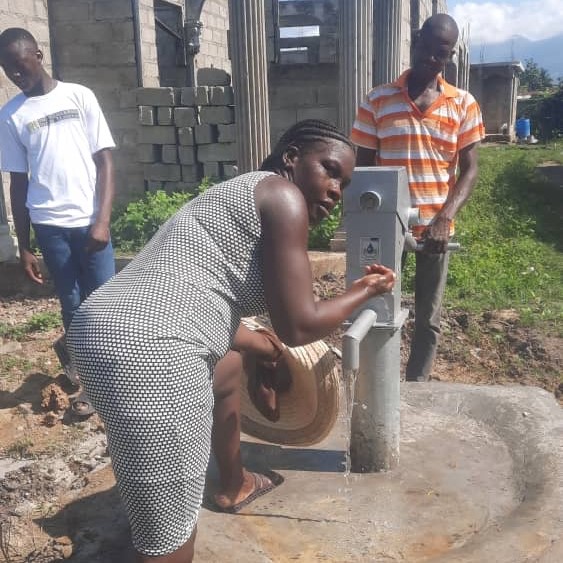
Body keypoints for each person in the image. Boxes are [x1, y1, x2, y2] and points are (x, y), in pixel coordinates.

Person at [66, 119, 396, 562]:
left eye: (346, 183)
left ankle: (233, 483)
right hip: (149, 352)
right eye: (330, 170)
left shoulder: (234, 194)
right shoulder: (284, 197)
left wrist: (266, 353)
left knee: (226, 369)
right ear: (292, 158)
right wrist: (367, 290)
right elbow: (299, 325)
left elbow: (203, 304)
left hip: (98, 326)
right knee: (170, 533)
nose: (337, 190)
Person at [350, 13, 485, 382]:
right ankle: (376, 382)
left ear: (450, 55)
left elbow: (470, 169)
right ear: (415, 41)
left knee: (428, 316)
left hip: (434, 231)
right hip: (384, 227)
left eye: (442, 55)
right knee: (373, 304)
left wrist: (445, 217)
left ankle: (417, 388)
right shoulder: (378, 100)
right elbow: (362, 167)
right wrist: (364, 223)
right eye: (428, 50)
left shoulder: (463, 104)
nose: (432, 60)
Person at [0, 28, 116, 413]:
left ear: (38, 54)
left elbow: (105, 162)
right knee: (72, 303)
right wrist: (26, 245)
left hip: (89, 222)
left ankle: (114, 372)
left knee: (104, 303)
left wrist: (102, 220)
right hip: (50, 226)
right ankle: (86, 383)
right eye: (7, 70)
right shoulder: (12, 115)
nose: (16, 76)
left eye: (20, 66)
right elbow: (19, 183)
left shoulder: (79, 96)